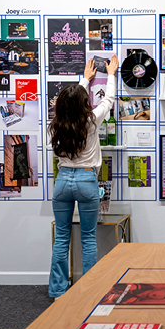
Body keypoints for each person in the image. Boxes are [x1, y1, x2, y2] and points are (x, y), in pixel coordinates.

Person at [48, 55, 119, 299]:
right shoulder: (90, 121)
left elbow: (71, 102)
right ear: (82, 103)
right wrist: (110, 74)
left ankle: (58, 291)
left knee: (61, 239)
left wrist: (84, 80)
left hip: (62, 181)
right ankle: (89, 292)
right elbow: (108, 100)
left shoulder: (56, 123)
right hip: (86, 181)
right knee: (88, 238)